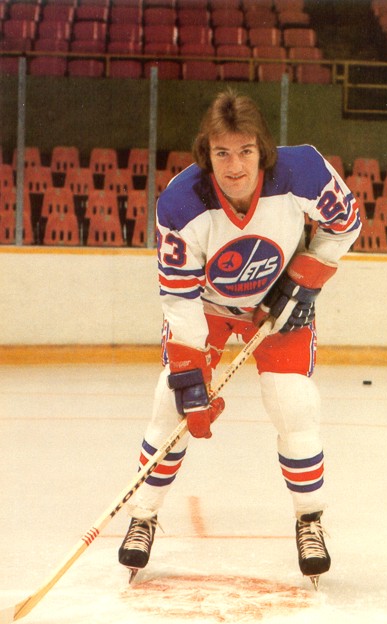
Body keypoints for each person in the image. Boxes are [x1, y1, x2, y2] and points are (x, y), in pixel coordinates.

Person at [118, 88, 361, 587]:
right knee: (170, 403)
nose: (234, 166)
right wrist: (191, 380)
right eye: (222, 153)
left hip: (275, 304)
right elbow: (179, 298)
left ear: (262, 150)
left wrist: (307, 276)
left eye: (245, 151)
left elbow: (346, 222)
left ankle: (309, 519)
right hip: (206, 309)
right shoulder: (181, 204)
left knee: (293, 403)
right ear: (206, 153)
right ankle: (143, 515)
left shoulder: (303, 172)